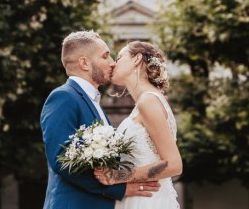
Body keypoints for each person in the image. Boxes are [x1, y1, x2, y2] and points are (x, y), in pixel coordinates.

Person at [40, 31, 160, 209]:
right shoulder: (63, 97)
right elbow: (62, 161)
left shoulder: (93, 102)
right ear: (84, 63)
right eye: (105, 56)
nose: (112, 63)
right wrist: (120, 189)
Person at [93, 41, 182, 209]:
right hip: (140, 197)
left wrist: (116, 176)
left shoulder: (148, 101)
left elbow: (174, 164)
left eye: (119, 57)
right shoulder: (146, 101)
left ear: (137, 59)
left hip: (148, 201)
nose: (113, 63)